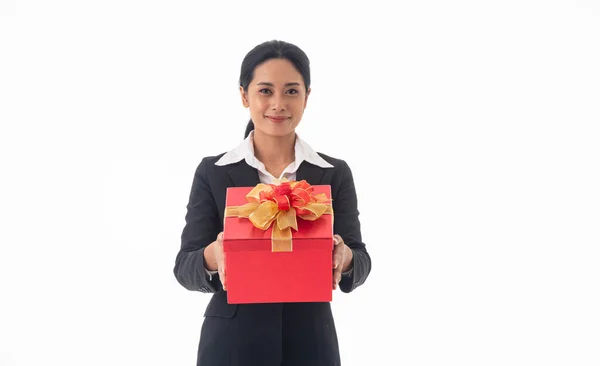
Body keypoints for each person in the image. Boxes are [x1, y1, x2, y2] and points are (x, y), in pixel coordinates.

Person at [173, 40, 371, 366]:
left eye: (291, 91)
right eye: (265, 90)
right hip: (231, 345)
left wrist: (346, 257)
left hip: (311, 343)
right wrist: (214, 254)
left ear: (307, 96)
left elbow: (360, 261)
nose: (278, 104)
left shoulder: (333, 173)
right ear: (243, 95)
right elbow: (184, 267)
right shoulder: (213, 172)